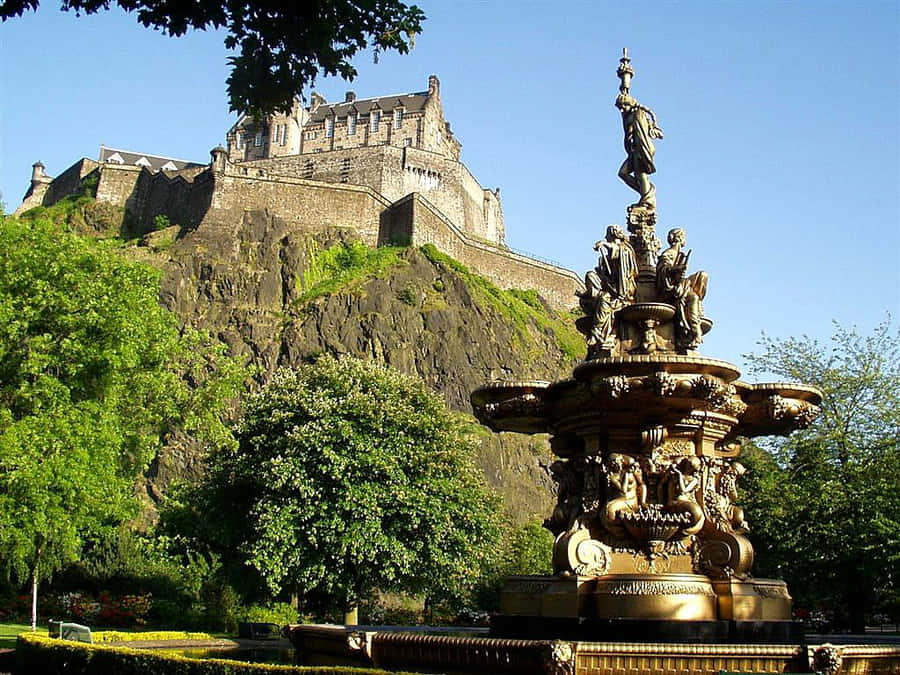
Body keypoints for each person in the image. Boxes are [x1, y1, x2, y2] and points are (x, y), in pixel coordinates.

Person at [579, 225, 638, 356]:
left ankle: (597, 332)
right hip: (609, 286)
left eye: (608, 235)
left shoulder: (625, 249)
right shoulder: (605, 258)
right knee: (590, 275)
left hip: (623, 291)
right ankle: (593, 293)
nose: (606, 237)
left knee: (604, 299)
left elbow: (617, 250)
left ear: (613, 235)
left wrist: (604, 244)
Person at [656, 227, 708, 350]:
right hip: (672, 288)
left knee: (702, 275)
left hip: (682, 285)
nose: (684, 239)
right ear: (678, 238)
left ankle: (695, 323)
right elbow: (662, 269)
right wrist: (677, 269)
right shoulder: (669, 253)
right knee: (693, 298)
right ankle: (694, 331)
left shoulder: (680, 254)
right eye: (683, 236)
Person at [616, 93, 663, 209]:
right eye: (620, 107)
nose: (622, 109)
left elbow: (641, 134)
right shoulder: (629, 115)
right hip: (636, 149)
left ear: (630, 104)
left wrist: (643, 153)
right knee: (623, 173)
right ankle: (646, 195)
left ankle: (647, 201)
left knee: (641, 174)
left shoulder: (638, 114)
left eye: (624, 106)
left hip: (642, 147)